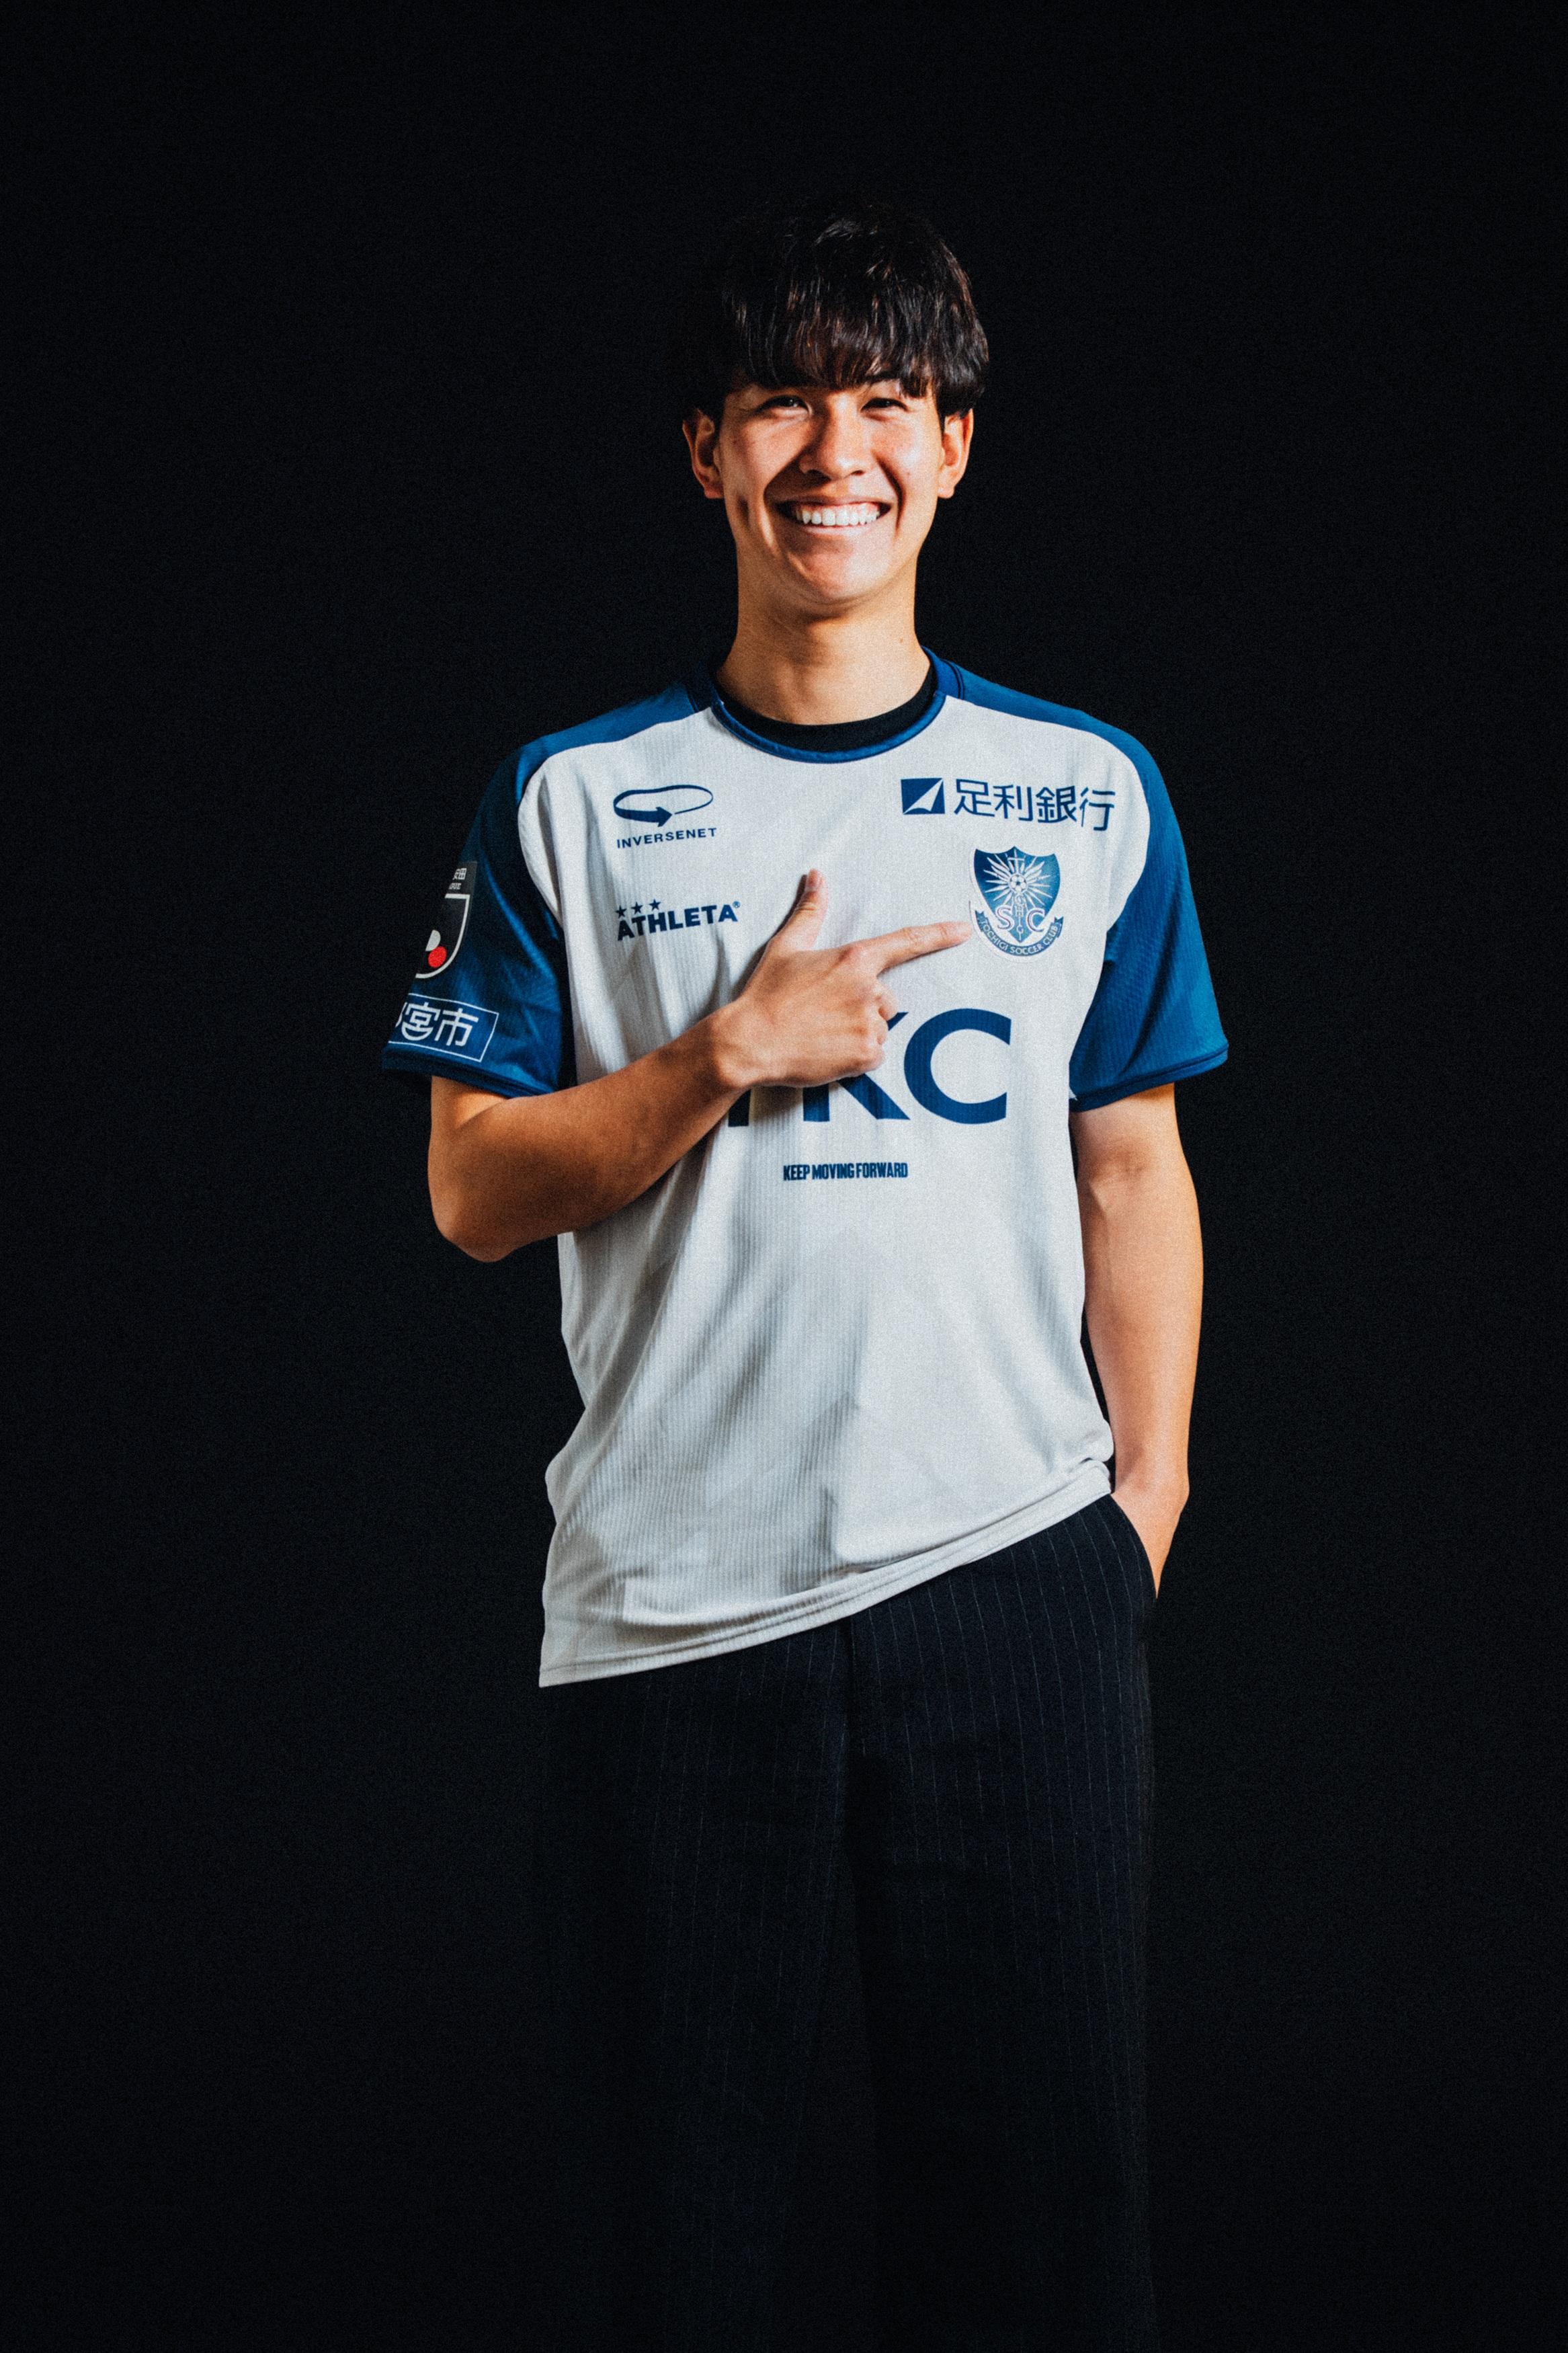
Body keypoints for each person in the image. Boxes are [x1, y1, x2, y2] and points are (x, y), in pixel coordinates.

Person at [382, 197, 1225, 2352]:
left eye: (884, 401)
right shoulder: (575, 797)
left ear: (952, 446)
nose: (833, 452)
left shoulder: (1086, 791)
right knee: (669, 2241)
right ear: (706, 453)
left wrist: (1137, 1507)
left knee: (1041, 2240)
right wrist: (721, 1057)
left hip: (1011, 1583)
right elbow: (471, 1188)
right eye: (780, 403)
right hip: (674, 1608)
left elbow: (1131, 1164)